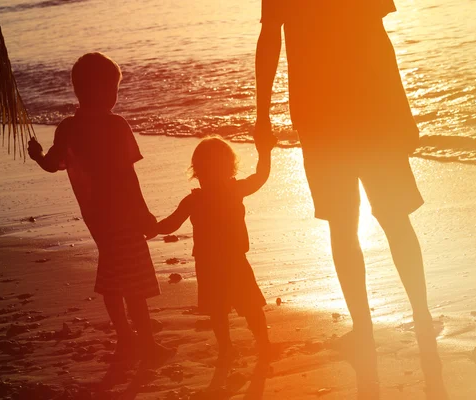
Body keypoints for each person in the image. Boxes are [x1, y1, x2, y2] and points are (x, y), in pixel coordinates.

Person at [254, 1, 449, 398]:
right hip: (358, 111)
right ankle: (405, 316)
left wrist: (262, 114)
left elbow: (272, 39)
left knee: (356, 223)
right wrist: (402, 112)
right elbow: (376, 41)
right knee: (382, 220)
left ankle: (379, 322)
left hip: (331, 114)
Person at [27, 52, 174, 368]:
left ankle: (126, 338)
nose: (114, 96)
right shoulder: (116, 125)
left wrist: (38, 156)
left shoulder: (68, 127)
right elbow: (127, 176)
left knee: (114, 276)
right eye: (111, 89)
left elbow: (53, 164)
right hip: (122, 215)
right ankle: (143, 342)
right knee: (132, 280)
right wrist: (145, 214)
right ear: (93, 90)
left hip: (97, 218)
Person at [154, 136, 274, 375]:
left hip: (209, 264)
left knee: (219, 309)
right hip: (232, 260)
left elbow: (169, 225)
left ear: (197, 172)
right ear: (230, 167)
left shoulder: (194, 200)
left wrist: (149, 227)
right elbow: (260, 177)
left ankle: (227, 347)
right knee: (249, 306)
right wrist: (265, 151)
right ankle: (263, 344)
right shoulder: (233, 190)